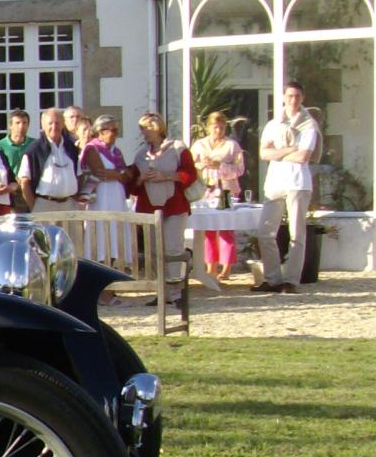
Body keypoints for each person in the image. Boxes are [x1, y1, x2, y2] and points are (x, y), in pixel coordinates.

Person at [254, 81, 320, 294]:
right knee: (265, 231)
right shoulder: (273, 124)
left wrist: (279, 151)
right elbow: (263, 153)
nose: (293, 100)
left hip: (298, 183)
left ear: (302, 98)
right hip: (275, 183)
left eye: (297, 96)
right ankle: (272, 278)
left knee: (296, 233)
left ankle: (291, 280)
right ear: (283, 97)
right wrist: (290, 148)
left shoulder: (308, 125)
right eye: (290, 96)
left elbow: (303, 156)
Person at [126, 112, 199, 303]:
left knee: (173, 249)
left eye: (146, 128)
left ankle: (176, 292)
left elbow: (190, 174)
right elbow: (132, 185)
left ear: (157, 127)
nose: (143, 132)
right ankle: (161, 292)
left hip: (174, 205)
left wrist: (165, 176)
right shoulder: (141, 154)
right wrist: (141, 178)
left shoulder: (177, 148)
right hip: (149, 208)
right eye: (141, 128)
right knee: (153, 251)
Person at [82, 115, 134, 304]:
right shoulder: (92, 148)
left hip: (116, 199)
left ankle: (111, 290)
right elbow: (100, 172)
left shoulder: (116, 151)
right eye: (112, 130)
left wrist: (119, 175)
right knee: (101, 244)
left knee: (115, 242)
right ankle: (100, 293)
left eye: (117, 130)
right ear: (101, 131)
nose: (115, 134)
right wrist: (119, 174)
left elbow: (127, 175)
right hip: (101, 200)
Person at [191, 111, 246, 282]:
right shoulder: (199, 145)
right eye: (215, 127)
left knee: (226, 229)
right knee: (208, 230)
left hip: (225, 190)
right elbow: (190, 166)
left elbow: (240, 169)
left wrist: (220, 166)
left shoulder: (232, 146)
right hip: (206, 190)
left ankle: (227, 267)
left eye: (222, 128)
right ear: (208, 127)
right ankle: (210, 266)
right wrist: (201, 164)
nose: (218, 131)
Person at [19, 107, 83, 213]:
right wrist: (34, 208)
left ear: (63, 124)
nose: (54, 127)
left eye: (57, 123)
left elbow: (79, 175)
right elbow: (24, 182)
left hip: (70, 205)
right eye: (50, 123)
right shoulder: (34, 149)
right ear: (43, 125)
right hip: (45, 206)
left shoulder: (71, 148)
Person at [0, 110, 36, 212]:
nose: (21, 126)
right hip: (11, 190)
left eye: (24, 123)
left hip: (30, 188)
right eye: (17, 123)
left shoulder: (34, 144)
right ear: (10, 125)